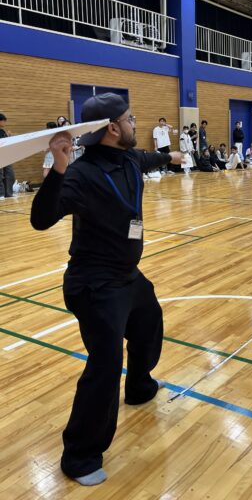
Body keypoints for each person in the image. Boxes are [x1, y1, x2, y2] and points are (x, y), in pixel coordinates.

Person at [30, 93, 182, 486]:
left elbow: (148, 159)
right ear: (113, 128)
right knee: (105, 365)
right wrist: (59, 167)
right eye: (131, 119)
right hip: (94, 284)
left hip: (127, 275)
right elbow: (41, 219)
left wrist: (171, 157)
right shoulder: (81, 174)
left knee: (149, 322)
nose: (136, 123)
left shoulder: (129, 158)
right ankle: (79, 456)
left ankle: (140, 386)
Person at [0, 113, 15, 199]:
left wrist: (9, 136)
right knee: (0, 175)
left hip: (6, 155)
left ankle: (8, 194)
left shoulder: (2, 131)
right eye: (4, 121)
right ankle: (1, 194)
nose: (5, 122)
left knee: (10, 174)